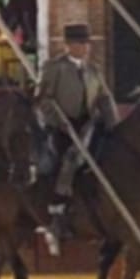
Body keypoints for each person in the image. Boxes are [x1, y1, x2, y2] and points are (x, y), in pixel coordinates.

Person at [38, 22, 118, 240]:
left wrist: (114, 125)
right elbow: (44, 99)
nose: (84, 47)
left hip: (88, 126)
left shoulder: (93, 70)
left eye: (86, 43)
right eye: (79, 43)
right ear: (69, 45)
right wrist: (58, 121)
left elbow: (104, 98)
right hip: (62, 127)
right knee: (67, 160)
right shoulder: (54, 68)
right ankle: (58, 210)